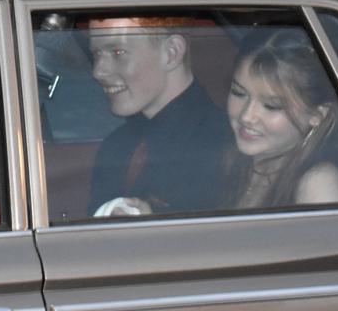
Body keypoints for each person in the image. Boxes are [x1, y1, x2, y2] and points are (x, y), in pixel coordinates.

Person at [87, 16, 232, 216]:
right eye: (96, 54)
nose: (98, 71)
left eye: (118, 52)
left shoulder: (223, 146)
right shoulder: (116, 145)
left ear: (171, 53)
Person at [223, 30, 338, 208]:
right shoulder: (235, 162)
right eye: (239, 93)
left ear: (317, 115)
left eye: (271, 106)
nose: (246, 116)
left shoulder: (318, 186)